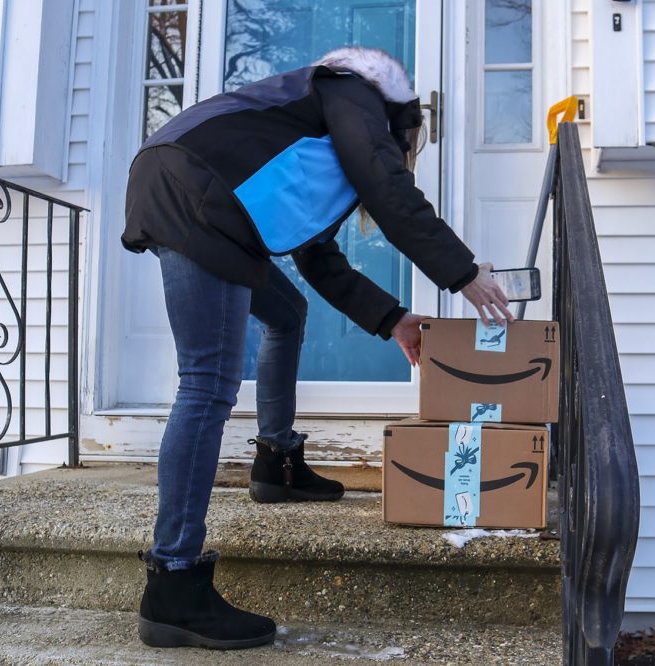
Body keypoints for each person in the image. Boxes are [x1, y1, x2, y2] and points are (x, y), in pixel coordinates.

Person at [122, 46, 513, 651]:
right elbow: (385, 185)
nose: (400, 155)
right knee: (205, 385)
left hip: (193, 189)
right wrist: (463, 273)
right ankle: (173, 581)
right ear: (396, 117)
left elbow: (320, 261)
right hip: (196, 195)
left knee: (287, 312)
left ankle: (277, 463)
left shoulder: (305, 135)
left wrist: (396, 320)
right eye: (406, 144)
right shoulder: (350, 91)